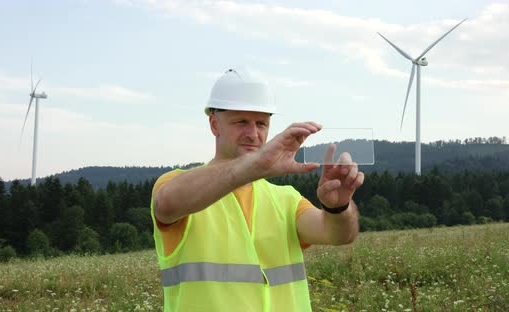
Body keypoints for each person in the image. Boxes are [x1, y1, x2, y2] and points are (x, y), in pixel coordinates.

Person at [151, 68, 364, 312]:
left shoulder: (286, 200)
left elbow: (339, 235)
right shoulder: (176, 184)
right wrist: (256, 165)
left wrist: (338, 207)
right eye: (241, 122)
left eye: (261, 124)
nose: (253, 134)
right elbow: (167, 204)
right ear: (214, 124)